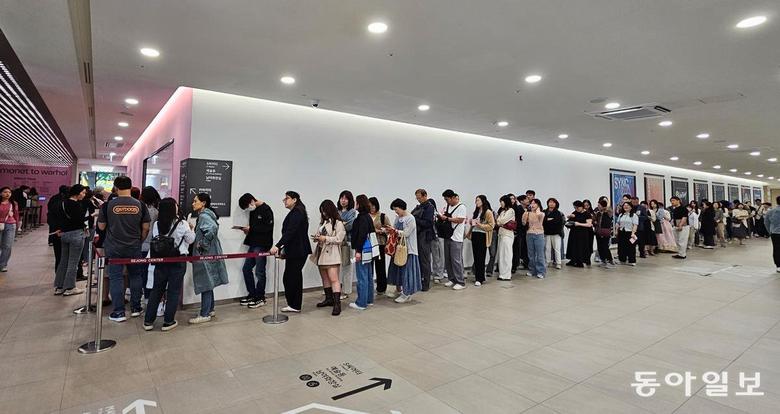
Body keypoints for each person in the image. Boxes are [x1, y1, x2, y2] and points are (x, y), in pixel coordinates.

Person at [98, 176, 151, 322]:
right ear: (130, 187)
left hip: (113, 247)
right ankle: (136, 308)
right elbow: (146, 227)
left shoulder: (107, 205)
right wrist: (139, 240)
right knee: (135, 276)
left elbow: (101, 226)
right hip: (134, 246)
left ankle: (119, 312)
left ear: (115, 188)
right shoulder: (140, 205)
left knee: (116, 277)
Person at [143, 198, 195, 331]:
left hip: (161, 260)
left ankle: (148, 321)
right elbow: (190, 240)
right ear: (173, 208)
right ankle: (168, 321)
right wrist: (192, 229)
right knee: (173, 291)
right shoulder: (182, 223)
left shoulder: (157, 224)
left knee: (156, 290)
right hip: (178, 260)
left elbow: (157, 239)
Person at [189, 193, 229, 324]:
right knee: (208, 282)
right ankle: (210, 309)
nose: (193, 203)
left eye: (195, 201)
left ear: (203, 203)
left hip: (205, 255)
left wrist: (202, 245)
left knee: (205, 283)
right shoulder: (206, 215)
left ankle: (204, 314)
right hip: (209, 254)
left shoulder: (204, 216)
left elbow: (212, 229)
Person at [270, 191, 311, 313]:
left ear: (294, 199)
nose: (284, 201)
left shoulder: (297, 212)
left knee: (291, 277)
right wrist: (284, 250)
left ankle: (294, 305)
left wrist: (278, 246)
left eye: (287, 198)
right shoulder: (296, 212)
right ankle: (294, 304)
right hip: (295, 250)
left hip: (298, 250)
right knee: (292, 277)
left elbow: (291, 232)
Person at [238, 193, 274, 309]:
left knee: (260, 271)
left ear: (252, 201)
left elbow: (267, 228)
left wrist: (251, 228)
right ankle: (252, 294)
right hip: (253, 243)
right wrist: (248, 230)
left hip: (262, 244)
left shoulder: (266, 209)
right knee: (246, 269)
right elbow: (254, 227)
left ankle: (260, 297)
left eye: (247, 206)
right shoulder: (253, 211)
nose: (248, 209)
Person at [312, 200, 345, 316]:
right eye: (322, 211)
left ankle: (337, 304)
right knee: (325, 278)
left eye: (325, 211)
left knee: (334, 279)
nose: (323, 213)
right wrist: (317, 238)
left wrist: (325, 238)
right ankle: (329, 299)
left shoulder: (338, 223)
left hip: (332, 254)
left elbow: (339, 239)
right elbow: (320, 234)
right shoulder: (323, 223)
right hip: (321, 253)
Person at [385, 198, 422, 302]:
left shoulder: (410, 218)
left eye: (396, 209)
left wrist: (395, 231)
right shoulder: (398, 218)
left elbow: (406, 233)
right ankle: (400, 290)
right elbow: (395, 230)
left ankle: (407, 293)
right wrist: (389, 230)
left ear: (401, 208)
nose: (396, 212)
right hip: (398, 249)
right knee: (398, 270)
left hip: (408, 249)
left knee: (407, 272)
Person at [54, 184, 88, 295]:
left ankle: (59, 286)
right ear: (77, 193)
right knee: (73, 262)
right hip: (76, 234)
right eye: (83, 193)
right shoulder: (76, 205)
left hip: (64, 234)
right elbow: (80, 220)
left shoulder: (63, 203)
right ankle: (70, 287)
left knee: (63, 261)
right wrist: (90, 217)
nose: (84, 195)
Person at [348, 194, 376, 310]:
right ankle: (369, 300)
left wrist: (358, 251)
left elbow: (362, 236)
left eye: (356, 202)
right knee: (368, 275)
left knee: (362, 277)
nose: (355, 204)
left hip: (362, 250)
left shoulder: (361, 218)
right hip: (369, 250)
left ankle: (361, 303)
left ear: (359, 204)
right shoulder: (368, 217)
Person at [437, 189, 467, 290]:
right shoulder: (448, 206)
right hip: (447, 235)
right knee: (448, 259)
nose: (446, 201)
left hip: (456, 238)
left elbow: (460, 219)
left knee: (456, 260)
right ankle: (452, 279)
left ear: (453, 197)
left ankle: (460, 282)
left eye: (447, 199)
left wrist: (447, 219)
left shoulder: (461, 207)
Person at [466, 195, 494, 286]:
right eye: (476, 200)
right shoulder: (476, 211)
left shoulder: (488, 212)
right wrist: (472, 222)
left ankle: (480, 278)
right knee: (476, 256)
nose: (476, 202)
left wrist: (480, 225)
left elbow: (491, 225)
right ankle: (477, 277)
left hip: (482, 235)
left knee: (481, 257)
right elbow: (474, 224)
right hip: (475, 234)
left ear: (483, 201)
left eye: (478, 200)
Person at [411, 189, 435, 291]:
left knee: (425, 260)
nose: (418, 199)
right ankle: (420, 280)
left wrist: (414, 219)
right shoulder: (418, 207)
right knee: (419, 260)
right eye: (417, 198)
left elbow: (428, 223)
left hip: (425, 236)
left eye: (419, 197)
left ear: (425, 196)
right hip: (417, 235)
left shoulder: (429, 207)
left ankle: (426, 283)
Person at [368, 197, 392, 296]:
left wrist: (381, 230)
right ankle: (369, 287)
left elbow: (389, 229)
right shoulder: (366, 216)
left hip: (380, 243)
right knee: (369, 266)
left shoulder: (383, 216)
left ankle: (381, 288)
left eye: (373, 206)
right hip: (369, 244)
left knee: (380, 266)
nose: (371, 208)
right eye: (369, 206)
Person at [140, 186, 161, 298]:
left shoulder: (141, 209)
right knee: (149, 273)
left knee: (140, 273)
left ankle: (142, 295)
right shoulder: (157, 211)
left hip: (142, 243)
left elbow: (145, 228)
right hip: (153, 245)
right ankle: (148, 296)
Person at [337, 191, 357, 299]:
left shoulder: (352, 212)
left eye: (346, 198)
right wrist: (342, 223)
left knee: (347, 267)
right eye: (341, 198)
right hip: (337, 242)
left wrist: (339, 224)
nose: (343, 200)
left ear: (350, 200)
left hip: (347, 242)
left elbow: (350, 225)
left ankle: (346, 291)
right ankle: (336, 289)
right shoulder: (337, 211)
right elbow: (333, 225)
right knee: (337, 267)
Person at [522, 199, 546, 278]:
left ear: (538, 205)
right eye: (531, 203)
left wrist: (537, 210)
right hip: (529, 234)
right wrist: (525, 214)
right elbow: (523, 223)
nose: (532, 205)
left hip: (539, 235)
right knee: (531, 254)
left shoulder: (542, 213)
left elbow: (539, 216)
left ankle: (541, 272)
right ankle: (532, 270)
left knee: (540, 254)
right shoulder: (528, 213)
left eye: (534, 203)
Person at [47, 185, 69, 273]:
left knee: (59, 256)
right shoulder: (67, 202)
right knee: (64, 256)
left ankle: (59, 275)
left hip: (56, 230)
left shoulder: (54, 199)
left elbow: (50, 215)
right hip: (64, 231)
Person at [565, 200, 593, 267]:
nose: (576, 209)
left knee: (580, 247)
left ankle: (580, 262)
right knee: (573, 246)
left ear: (582, 207)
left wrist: (579, 224)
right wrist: (569, 218)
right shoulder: (575, 212)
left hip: (582, 234)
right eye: (575, 208)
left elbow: (589, 224)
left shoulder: (587, 214)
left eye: (577, 207)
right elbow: (570, 221)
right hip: (574, 233)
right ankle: (573, 260)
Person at [495, 195, 516, 280]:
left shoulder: (511, 211)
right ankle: (502, 274)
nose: (501, 203)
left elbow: (502, 221)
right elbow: (498, 221)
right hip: (501, 234)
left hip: (507, 235)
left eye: (501, 202)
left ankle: (507, 275)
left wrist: (500, 222)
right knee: (501, 255)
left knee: (507, 255)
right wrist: (500, 222)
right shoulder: (503, 211)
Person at [0, 187, 21, 272]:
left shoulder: (13, 203)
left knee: (7, 246)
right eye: (5, 192)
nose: (7, 194)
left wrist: (17, 226)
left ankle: (3, 265)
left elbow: (16, 215)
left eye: (9, 192)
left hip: (10, 225)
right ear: (1, 193)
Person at [543, 198, 564, 269]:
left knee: (557, 248)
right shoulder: (544, 212)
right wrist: (549, 220)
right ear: (548, 203)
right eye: (550, 202)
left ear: (556, 204)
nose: (551, 204)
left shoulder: (558, 213)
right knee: (547, 248)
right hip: (547, 233)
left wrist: (548, 220)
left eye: (553, 202)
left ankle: (558, 263)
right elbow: (543, 221)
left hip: (556, 233)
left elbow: (558, 222)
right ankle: (547, 262)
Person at [594, 199, 616, 268]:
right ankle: (603, 260)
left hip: (605, 232)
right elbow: (595, 220)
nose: (598, 206)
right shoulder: (598, 213)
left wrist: (605, 208)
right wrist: (595, 222)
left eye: (599, 205)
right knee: (600, 247)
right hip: (598, 232)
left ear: (603, 206)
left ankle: (610, 260)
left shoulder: (608, 212)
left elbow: (609, 210)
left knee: (605, 247)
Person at [615, 201, 638, 266]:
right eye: (624, 205)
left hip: (630, 233)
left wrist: (633, 233)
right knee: (621, 247)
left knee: (631, 247)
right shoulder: (621, 215)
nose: (625, 206)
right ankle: (622, 260)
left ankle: (632, 261)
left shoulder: (634, 215)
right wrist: (616, 231)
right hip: (622, 232)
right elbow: (617, 223)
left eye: (627, 205)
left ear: (631, 207)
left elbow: (635, 225)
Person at [512, 194, 529, 272]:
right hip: (519, 232)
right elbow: (518, 221)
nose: (528, 200)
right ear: (522, 201)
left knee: (524, 248)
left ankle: (526, 264)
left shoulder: (527, 209)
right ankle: (514, 266)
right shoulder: (518, 209)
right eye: (526, 199)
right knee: (517, 249)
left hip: (525, 232)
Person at [764, 196, 780, 272]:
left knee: (776, 249)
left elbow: (766, 223)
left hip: (775, 233)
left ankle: (778, 266)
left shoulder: (770, 211)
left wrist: (770, 231)